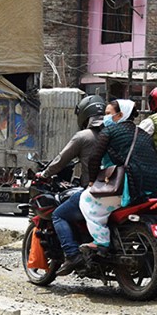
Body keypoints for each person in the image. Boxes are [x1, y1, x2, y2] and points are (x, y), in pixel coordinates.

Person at [82, 99, 157, 257]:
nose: (106, 117)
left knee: (86, 201)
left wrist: (91, 181)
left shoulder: (109, 131)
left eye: (108, 114)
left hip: (129, 187)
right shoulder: (143, 134)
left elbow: (94, 158)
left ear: (120, 115)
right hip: (151, 189)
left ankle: (101, 241)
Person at [41, 95, 106, 275]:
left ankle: (72, 255)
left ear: (84, 115)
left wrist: (44, 173)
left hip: (94, 192)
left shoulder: (83, 136)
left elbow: (61, 160)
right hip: (119, 190)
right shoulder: (114, 133)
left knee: (58, 215)